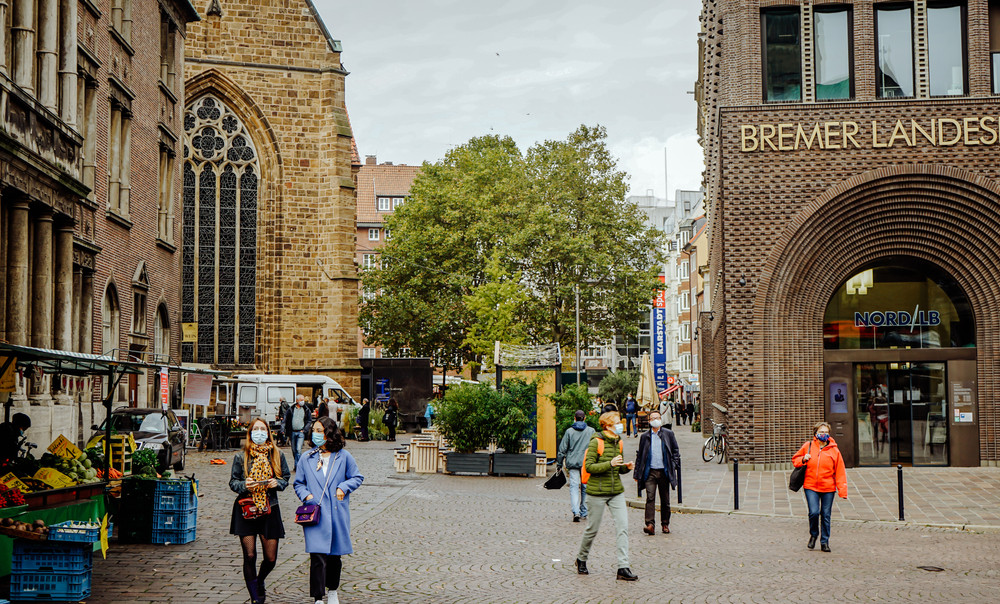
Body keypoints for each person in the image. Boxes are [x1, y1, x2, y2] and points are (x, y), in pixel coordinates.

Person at [293, 417, 364, 604]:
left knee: (334, 557)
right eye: (314, 430)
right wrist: (307, 496)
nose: (316, 434)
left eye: (320, 430)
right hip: (315, 514)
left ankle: (332, 590)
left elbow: (357, 477)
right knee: (317, 556)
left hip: (336, 513)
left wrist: (343, 487)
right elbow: (299, 483)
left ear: (330, 433)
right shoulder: (307, 458)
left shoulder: (344, 456)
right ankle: (317, 598)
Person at [229, 419, 291, 604]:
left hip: (269, 508)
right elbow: (233, 482)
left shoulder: (277, 455)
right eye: (255, 429)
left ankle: (260, 580)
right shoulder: (241, 457)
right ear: (250, 433)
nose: (259, 432)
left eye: (262, 429)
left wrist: (276, 483)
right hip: (246, 508)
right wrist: (244, 485)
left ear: (268, 432)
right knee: (249, 555)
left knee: (270, 558)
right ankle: (255, 597)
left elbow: (285, 478)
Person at [575, 411, 638, 581]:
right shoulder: (596, 442)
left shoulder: (619, 443)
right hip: (597, 492)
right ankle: (581, 558)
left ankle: (623, 567)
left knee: (623, 528)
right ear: (608, 425)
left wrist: (626, 467)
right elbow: (589, 467)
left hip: (616, 491)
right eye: (617, 422)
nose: (620, 425)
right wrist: (609, 463)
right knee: (592, 529)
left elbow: (617, 468)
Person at [792, 422, 847, 552]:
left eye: (826, 432)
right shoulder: (808, 446)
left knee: (826, 515)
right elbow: (795, 460)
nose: (824, 434)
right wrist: (803, 459)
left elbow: (840, 471)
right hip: (811, 486)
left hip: (828, 488)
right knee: (814, 512)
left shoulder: (834, 450)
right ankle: (814, 534)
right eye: (821, 432)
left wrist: (842, 490)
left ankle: (825, 542)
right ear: (816, 433)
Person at [634, 410, 680, 535]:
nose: (655, 420)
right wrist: (637, 473)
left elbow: (675, 450)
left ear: (661, 419)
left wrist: (674, 464)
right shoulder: (645, 437)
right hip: (650, 472)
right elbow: (640, 455)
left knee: (665, 499)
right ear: (649, 421)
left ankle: (665, 524)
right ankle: (650, 524)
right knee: (650, 497)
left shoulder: (668, 434)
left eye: (657, 417)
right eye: (653, 418)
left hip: (664, 471)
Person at [555, 410, 596, 523]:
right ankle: (584, 511)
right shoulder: (591, 431)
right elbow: (595, 447)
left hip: (572, 463)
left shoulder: (569, 432)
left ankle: (576, 511)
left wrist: (559, 463)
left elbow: (562, 450)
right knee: (585, 487)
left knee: (574, 487)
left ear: (575, 418)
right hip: (586, 463)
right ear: (585, 418)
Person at [284, 396, 310, 470]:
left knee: (298, 449)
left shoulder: (306, 409)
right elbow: (286, 419)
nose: (303, 401)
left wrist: (305, 429)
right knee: (294, 450)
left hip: (301, 432)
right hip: (292, 432)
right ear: (297, 400)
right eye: (301, 400)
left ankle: (298, 466)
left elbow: (309, 420)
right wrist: (285, 429)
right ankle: (297, 465)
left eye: (303, 400)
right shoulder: (291, 409)